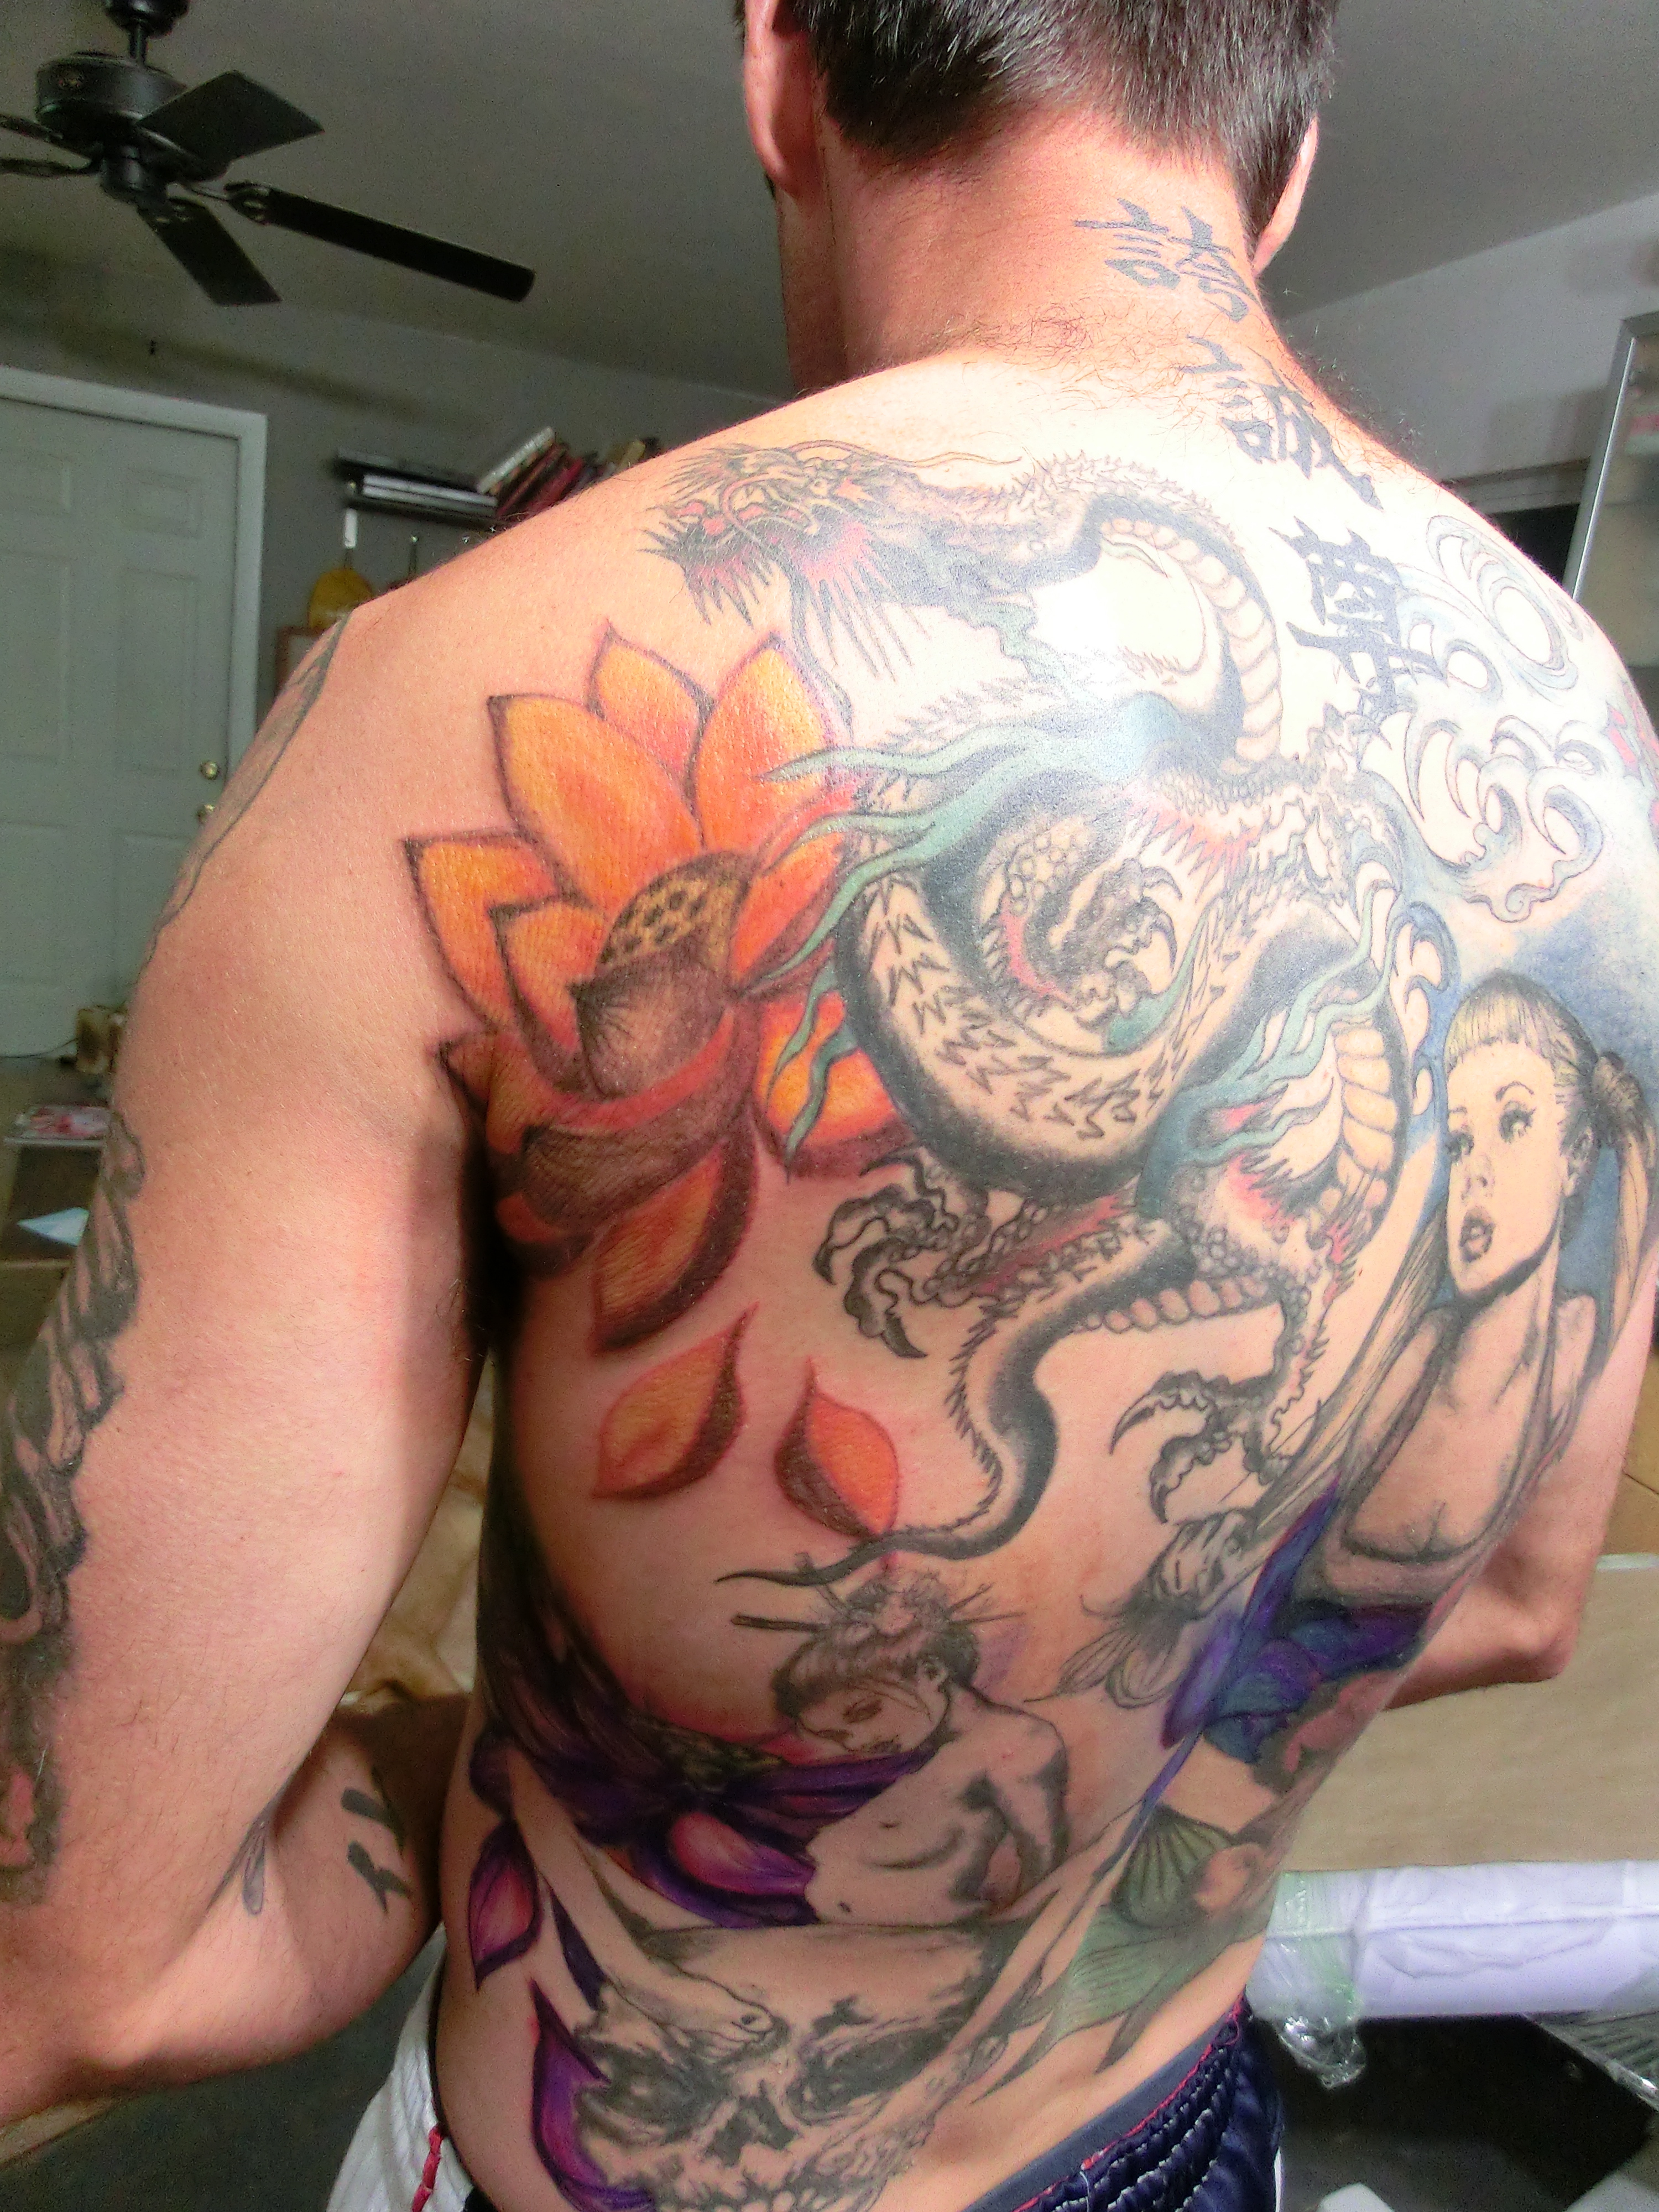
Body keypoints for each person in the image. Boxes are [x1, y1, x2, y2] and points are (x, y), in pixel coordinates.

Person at [3, 8, 1658, 2212]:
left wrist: (547, 1753)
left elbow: (89, 1968)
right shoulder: (1597, 748)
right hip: (1172, 2143)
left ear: (780, 60)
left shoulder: (456, 708)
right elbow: (1519, 1594)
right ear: (1283, 161)